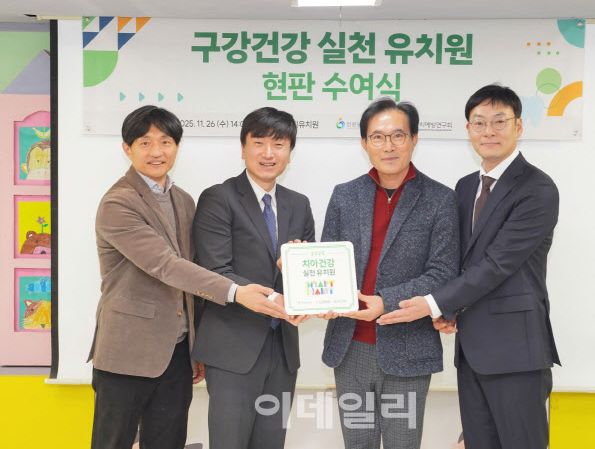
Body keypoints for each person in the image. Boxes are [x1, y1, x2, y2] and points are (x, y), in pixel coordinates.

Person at [89, 105, 283, 449]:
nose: (156, 151)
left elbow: (195, 275)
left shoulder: (183, 200)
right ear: (127, 149)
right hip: (127, 352)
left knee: (169, 442)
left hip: (177, 353)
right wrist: (236, 291)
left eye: (165, 142)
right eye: (145, 143)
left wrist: (197, 346)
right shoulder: (118, 203)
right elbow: (166, 266)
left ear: (176, 147)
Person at [378, 84, 561, 449]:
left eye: (499, 121)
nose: (488, 131)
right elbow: (460, 262)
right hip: (471, 348)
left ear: (518, 126)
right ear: (468, 130)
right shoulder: (464, 188)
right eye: (479, 122)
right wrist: (452, 309)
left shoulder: (537, 188)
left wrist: (434, 303)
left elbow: (497, 264)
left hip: (516, 351)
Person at [319, 98, 459, 449]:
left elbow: (443, 272)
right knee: (358, 444)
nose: (389, 146)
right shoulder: (344, 196)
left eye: (398, 135)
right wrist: (317, 294)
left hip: (408, 347)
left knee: (403, 444)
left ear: (414, 139)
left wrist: (387, 301)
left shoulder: (440, 199)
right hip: (350, 347)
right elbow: (327, 261)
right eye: (378, 137)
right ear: (364, 143)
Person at [191, 107, 315, 449]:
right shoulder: (219, 198)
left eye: (279, 144)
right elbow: (214, 270)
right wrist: (274, 299)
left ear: (290, 151)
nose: (268, 153)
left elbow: (307, 274)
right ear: (243, 148)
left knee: (272, 443)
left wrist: (301, 279)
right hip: (233, 348)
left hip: (283, 350)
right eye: (258, 142)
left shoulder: (299, 204)